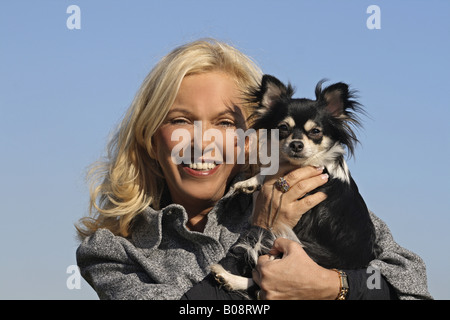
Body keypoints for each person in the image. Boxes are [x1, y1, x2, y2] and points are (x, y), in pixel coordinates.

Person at [76, 38, 432, 300]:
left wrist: (330, 286)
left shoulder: (309, 192)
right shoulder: (113, 251)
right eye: (181, 120)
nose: (203, 142)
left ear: (252, 138)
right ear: (151, 138)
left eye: (226, 124)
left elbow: (411, 285)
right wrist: (258, 230)